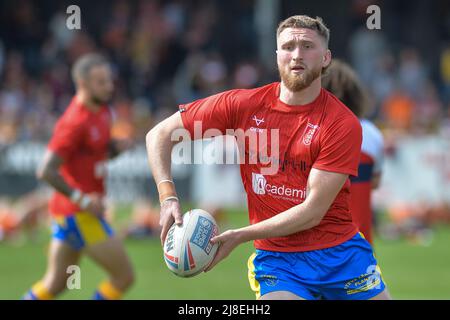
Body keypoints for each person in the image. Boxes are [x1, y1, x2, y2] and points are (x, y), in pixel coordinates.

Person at [146, 15, 391, 300]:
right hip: (279, 261)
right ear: (277, 56)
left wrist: (240, 235)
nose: (297, 54)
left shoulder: (341, 123)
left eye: (307, 46)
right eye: (288, 47)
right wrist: (168, 198)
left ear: (325, 58)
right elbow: (159, 135)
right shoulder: (243, 105)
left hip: (342, 256)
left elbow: (313, 211)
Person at [23, 53, 134, 300]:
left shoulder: (103, 111)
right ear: (83, 84)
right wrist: (84, 200)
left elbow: (97, 152)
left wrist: (117, 147)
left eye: (109, 80)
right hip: (79, 214)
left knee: (55, 284)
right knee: (124, 277)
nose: (109, 87)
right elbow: (46, 171)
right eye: (101, 82)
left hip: (70, 213)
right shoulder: (74, 122)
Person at [321, 59, 385, 244]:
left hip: (318, 245)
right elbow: (374, 182)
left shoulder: (310, 131)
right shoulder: (372, 133)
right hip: (360, 244)